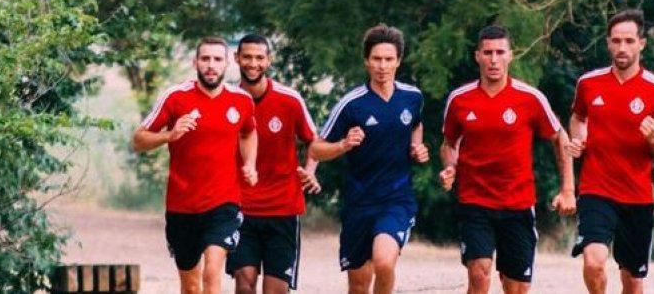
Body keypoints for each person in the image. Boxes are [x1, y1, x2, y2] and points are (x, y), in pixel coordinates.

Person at [439, 25, 577, 294]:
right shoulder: (459, 100)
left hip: (518, 205)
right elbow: (449, 144)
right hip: (475, 202)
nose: (493, 59)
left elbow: (560, 137)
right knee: (479, 274)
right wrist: (450, 167)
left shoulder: (530, 98)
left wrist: (568, 190)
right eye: (487, 52)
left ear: (510, 56)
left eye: (499, 52)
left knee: (516, 288)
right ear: (477, 55)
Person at [310, 24, 430, 294]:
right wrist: (343, 144)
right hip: (360, 203)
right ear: (366, 61)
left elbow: (416, 125)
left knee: (384, 262)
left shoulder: (412, 97)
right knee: (359, 284)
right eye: (376, 59)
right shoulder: (352, 103)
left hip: (397, 199)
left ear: (398, 61)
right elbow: (316, 149)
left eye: (389, 59)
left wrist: (417, 147)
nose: (382, 66)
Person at [133, 37, 259, 294]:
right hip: (182, 206)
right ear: (195, 63)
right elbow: (138, 140)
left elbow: (248, 133)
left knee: (212, 272)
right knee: (191, 287)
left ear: (227, 63)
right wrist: (169, 135)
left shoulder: (241, 100)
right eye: (205, 59)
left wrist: (250, 163)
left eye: (217, 59)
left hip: (224, 203)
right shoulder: (175, 97)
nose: (211, 65)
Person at [565, 9, 654, 294]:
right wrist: (580, 139)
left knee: (633, 281)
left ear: (642, 43)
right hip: (596, 190)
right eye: (616, 41)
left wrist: (652, 138)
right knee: (594, 262)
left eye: (628, 41)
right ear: (608, 43)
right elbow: (578, 119)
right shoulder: (589, 84)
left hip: (637, 196)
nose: (622, 47)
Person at [226, 33, 322, 294]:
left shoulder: (289, 99)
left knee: (275, 291)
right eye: (247, 57)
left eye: (259, 57)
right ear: (237, 58)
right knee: (244, 285)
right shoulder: (227, 100)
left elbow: (314, 141)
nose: (252, 63)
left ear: (269, 61)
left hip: (283, 209)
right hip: (240, 208)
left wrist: (309, 171)